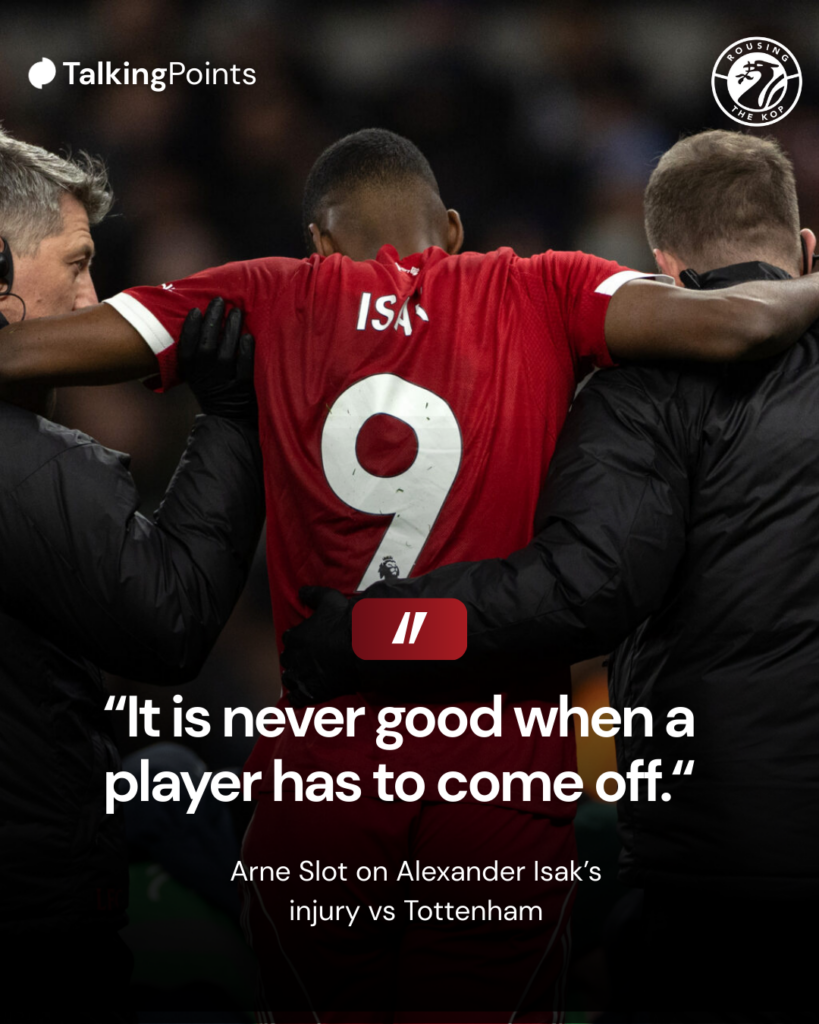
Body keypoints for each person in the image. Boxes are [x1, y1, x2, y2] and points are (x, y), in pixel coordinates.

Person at [2, 126, 819, 1019]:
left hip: (325, 782)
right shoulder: (553, 285)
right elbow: (740, 320)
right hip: (498, 784)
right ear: (456, 229)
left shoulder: (263, 295)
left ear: (316, 239)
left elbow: (38, 350)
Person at [283, 130, 819, 1020]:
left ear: (664, 269)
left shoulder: (645, 385)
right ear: (804, 251)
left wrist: (374, 631)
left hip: (731, 855)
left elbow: (585, 590)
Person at [0, 127, 265, 1023]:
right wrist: (231, 420)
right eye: (74, 264)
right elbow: (170, 622)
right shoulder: (24, 467)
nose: (95, 296)